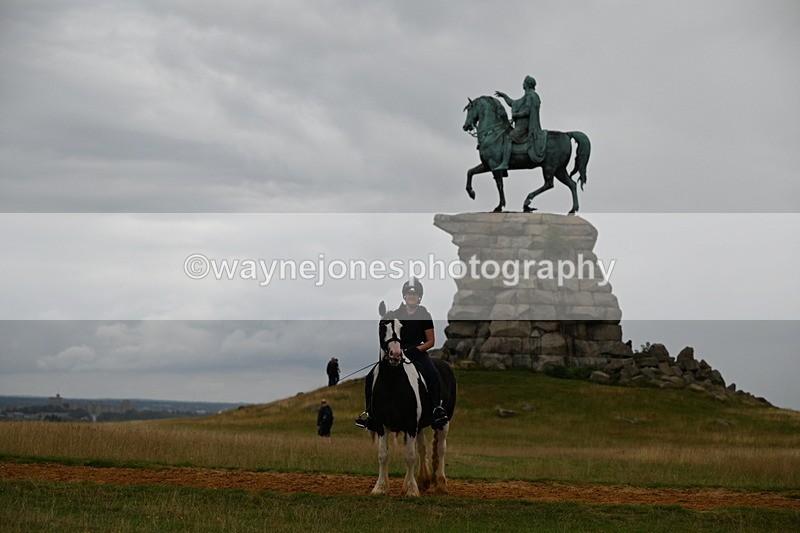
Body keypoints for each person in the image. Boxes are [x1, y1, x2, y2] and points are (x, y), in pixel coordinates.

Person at [356, 279, 449, 429]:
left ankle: (436, 408)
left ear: (420, 297)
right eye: (409, 294)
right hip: (398, 352)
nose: (411, 297)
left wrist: (415, 349)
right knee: (370, 377)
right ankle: (370, 413)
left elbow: (431, 341)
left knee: (432, 374)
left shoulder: (424, 314)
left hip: (417, 352)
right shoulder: (397, 313)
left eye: (415, 294)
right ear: (404, 296)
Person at [494, 75, 546, 169]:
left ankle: (505, 163)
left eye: (524, 82)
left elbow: (527, 111)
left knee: (508, 138)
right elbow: (513, 103)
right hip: (521, 126)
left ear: (527, 84)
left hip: (524, 127)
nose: (523, 84)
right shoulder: (527, 95)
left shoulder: (530, 96)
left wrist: (516, 115)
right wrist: (504, 96)